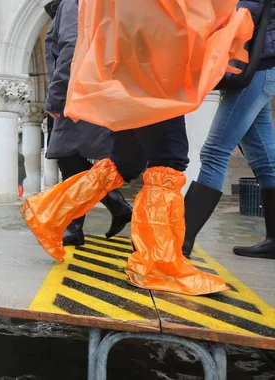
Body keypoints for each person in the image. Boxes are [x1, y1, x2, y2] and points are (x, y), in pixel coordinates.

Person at [21, 0, 252, 296]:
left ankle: (50, 214)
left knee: (125, 162)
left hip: (131, 70)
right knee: (168, 160)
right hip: (154, 72)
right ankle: (157, 266)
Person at [183, 0, 275, 260]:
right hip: (263, 69)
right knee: (267, 161)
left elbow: (240, 12)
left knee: (215, 151)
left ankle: (182, 239)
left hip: (257, 70)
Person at [44, 0, 132, 248]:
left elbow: (72, 47)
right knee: (69, 156)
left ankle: (94, 217)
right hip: (90, 87)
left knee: (67, 157)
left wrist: (56, 96)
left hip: (78, 90)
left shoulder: (72, 3)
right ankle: (106, 211)